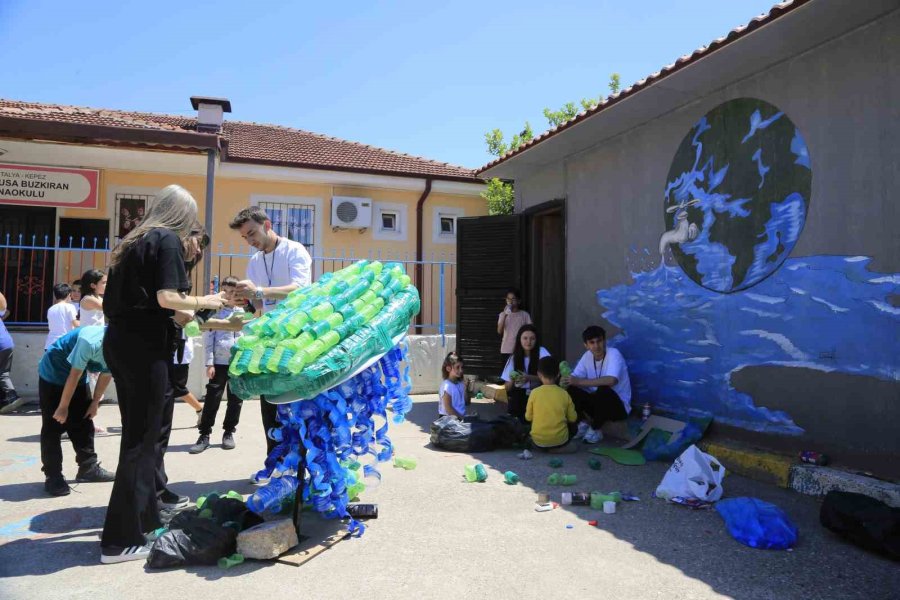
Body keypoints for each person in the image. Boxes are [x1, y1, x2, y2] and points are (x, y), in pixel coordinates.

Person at [99, 184, 224, 564]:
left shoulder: (135, 242)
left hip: (122, 342)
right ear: (184, 215)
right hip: (142, 348)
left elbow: (144, 302)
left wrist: (185, 312)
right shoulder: (168, 239)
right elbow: (168, 299)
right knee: (141, 442)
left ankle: (146, 520)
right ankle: (119, 541)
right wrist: (208, 301)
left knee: (143, 438)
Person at [229, 206, 311, 468]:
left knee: (298, 406)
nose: (250, 240)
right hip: (268, 340)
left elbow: (301, 290)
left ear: (267, 224)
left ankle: (302, 469)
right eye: (245, 237)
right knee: (270, 405)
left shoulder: (295, 250)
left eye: (252, 233)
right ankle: (275, 464)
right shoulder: (255, 261)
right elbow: (258, 306)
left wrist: (260, 290)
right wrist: (245, 302)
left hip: (296, 339)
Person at [39, 325, 117, 496]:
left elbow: (106, 373)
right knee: (53, 427)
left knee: (84, 421)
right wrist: (63, 407)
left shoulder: (120, 345)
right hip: (53, 373)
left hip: (78, 376)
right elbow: (73, 375)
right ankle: (53, 476)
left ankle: (88, 468)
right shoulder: (89, 341)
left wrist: (95, 402)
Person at [191, 276, 245, 454]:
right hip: (219, 364)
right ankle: (204, 434)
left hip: (237, 364)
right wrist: (209, 363)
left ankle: (229, 432)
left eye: (233, 292)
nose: (229, 295)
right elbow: (208, 339)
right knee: (212, 399)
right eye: (226, 291)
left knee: (235, 400)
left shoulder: (242, 312)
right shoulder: (214, 311)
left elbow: (246, 337)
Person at [561, 325, 632, 444]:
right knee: (570, 388)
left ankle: (595, 429)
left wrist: (579, 381)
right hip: (597, 405)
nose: (596, 346)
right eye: (592, 342)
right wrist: (564, 380)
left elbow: (611, 380)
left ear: (604, 341)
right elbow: (573, 378)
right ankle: (582, 424)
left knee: (603, 390)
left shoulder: (614, 354)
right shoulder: (587, 356)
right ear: (586, 345)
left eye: (599, 341)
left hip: (618, 407)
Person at [525, 356, 579, 454]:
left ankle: (542, 446)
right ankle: (556, 448)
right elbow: (573, 418)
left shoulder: (534, 393)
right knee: (574, 439)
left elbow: (528, 417)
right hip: (560, 442)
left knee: (531, 431)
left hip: (538, 441)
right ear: (558, 374)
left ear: (539, 374)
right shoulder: (564, 393)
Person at [500, 324, 550, 421]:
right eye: (525, 338)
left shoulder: (542, 352)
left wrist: (529, 377)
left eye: (532, 339)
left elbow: (551, 377)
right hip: (520, 394)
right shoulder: (513, 357)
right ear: (520, 340)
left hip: (540, 393)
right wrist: (512, 379)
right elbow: (507, 387)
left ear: (536, 340)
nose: (528, 342)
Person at [0, 291, 23, 414]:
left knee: (2, 374)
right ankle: (7, 399)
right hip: (7, 343)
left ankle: (12, 397)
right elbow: (6, 310)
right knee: (3, 373)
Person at [497, 288, 532, 360]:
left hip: (521, 349)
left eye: (513, 299)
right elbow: (499, 331)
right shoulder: (502, 314)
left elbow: (530, 330)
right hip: (506, 349)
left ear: (519, 301)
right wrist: (505, 315)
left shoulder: (524, 315)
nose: (510, 301)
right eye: (508, 299)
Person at [45, 283, 80, 350]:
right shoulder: (70, 306)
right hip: (63, 344)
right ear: (68, 295)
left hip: (50, 344)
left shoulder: (51, 308)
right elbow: (76, 324)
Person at [438, 352, 467, 419]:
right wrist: (461, 419)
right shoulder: (447, 386)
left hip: (459, 418)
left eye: (462, 367)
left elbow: (466, 402)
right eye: (457, 367)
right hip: (448, 420)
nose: (461, 370)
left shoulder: (460, 383)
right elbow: (448, 409)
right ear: (448, 368)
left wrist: (466, 389)